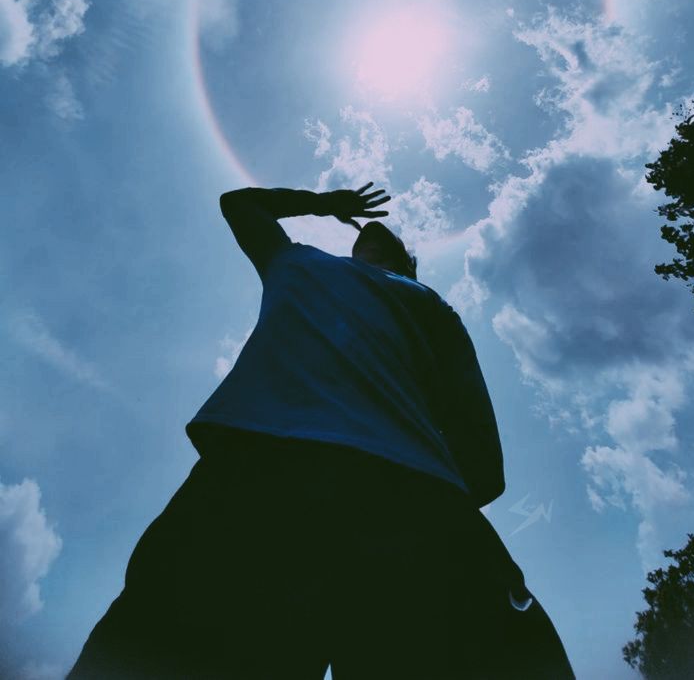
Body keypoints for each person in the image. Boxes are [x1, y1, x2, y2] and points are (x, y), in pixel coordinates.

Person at [66, 182, 574, 679]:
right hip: (404, 497)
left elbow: (242, 203)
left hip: (255, 484)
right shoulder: (405, 298)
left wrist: (324, 205)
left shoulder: (316, 269)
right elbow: (484, 465)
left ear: (398, 260)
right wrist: (432, 516)